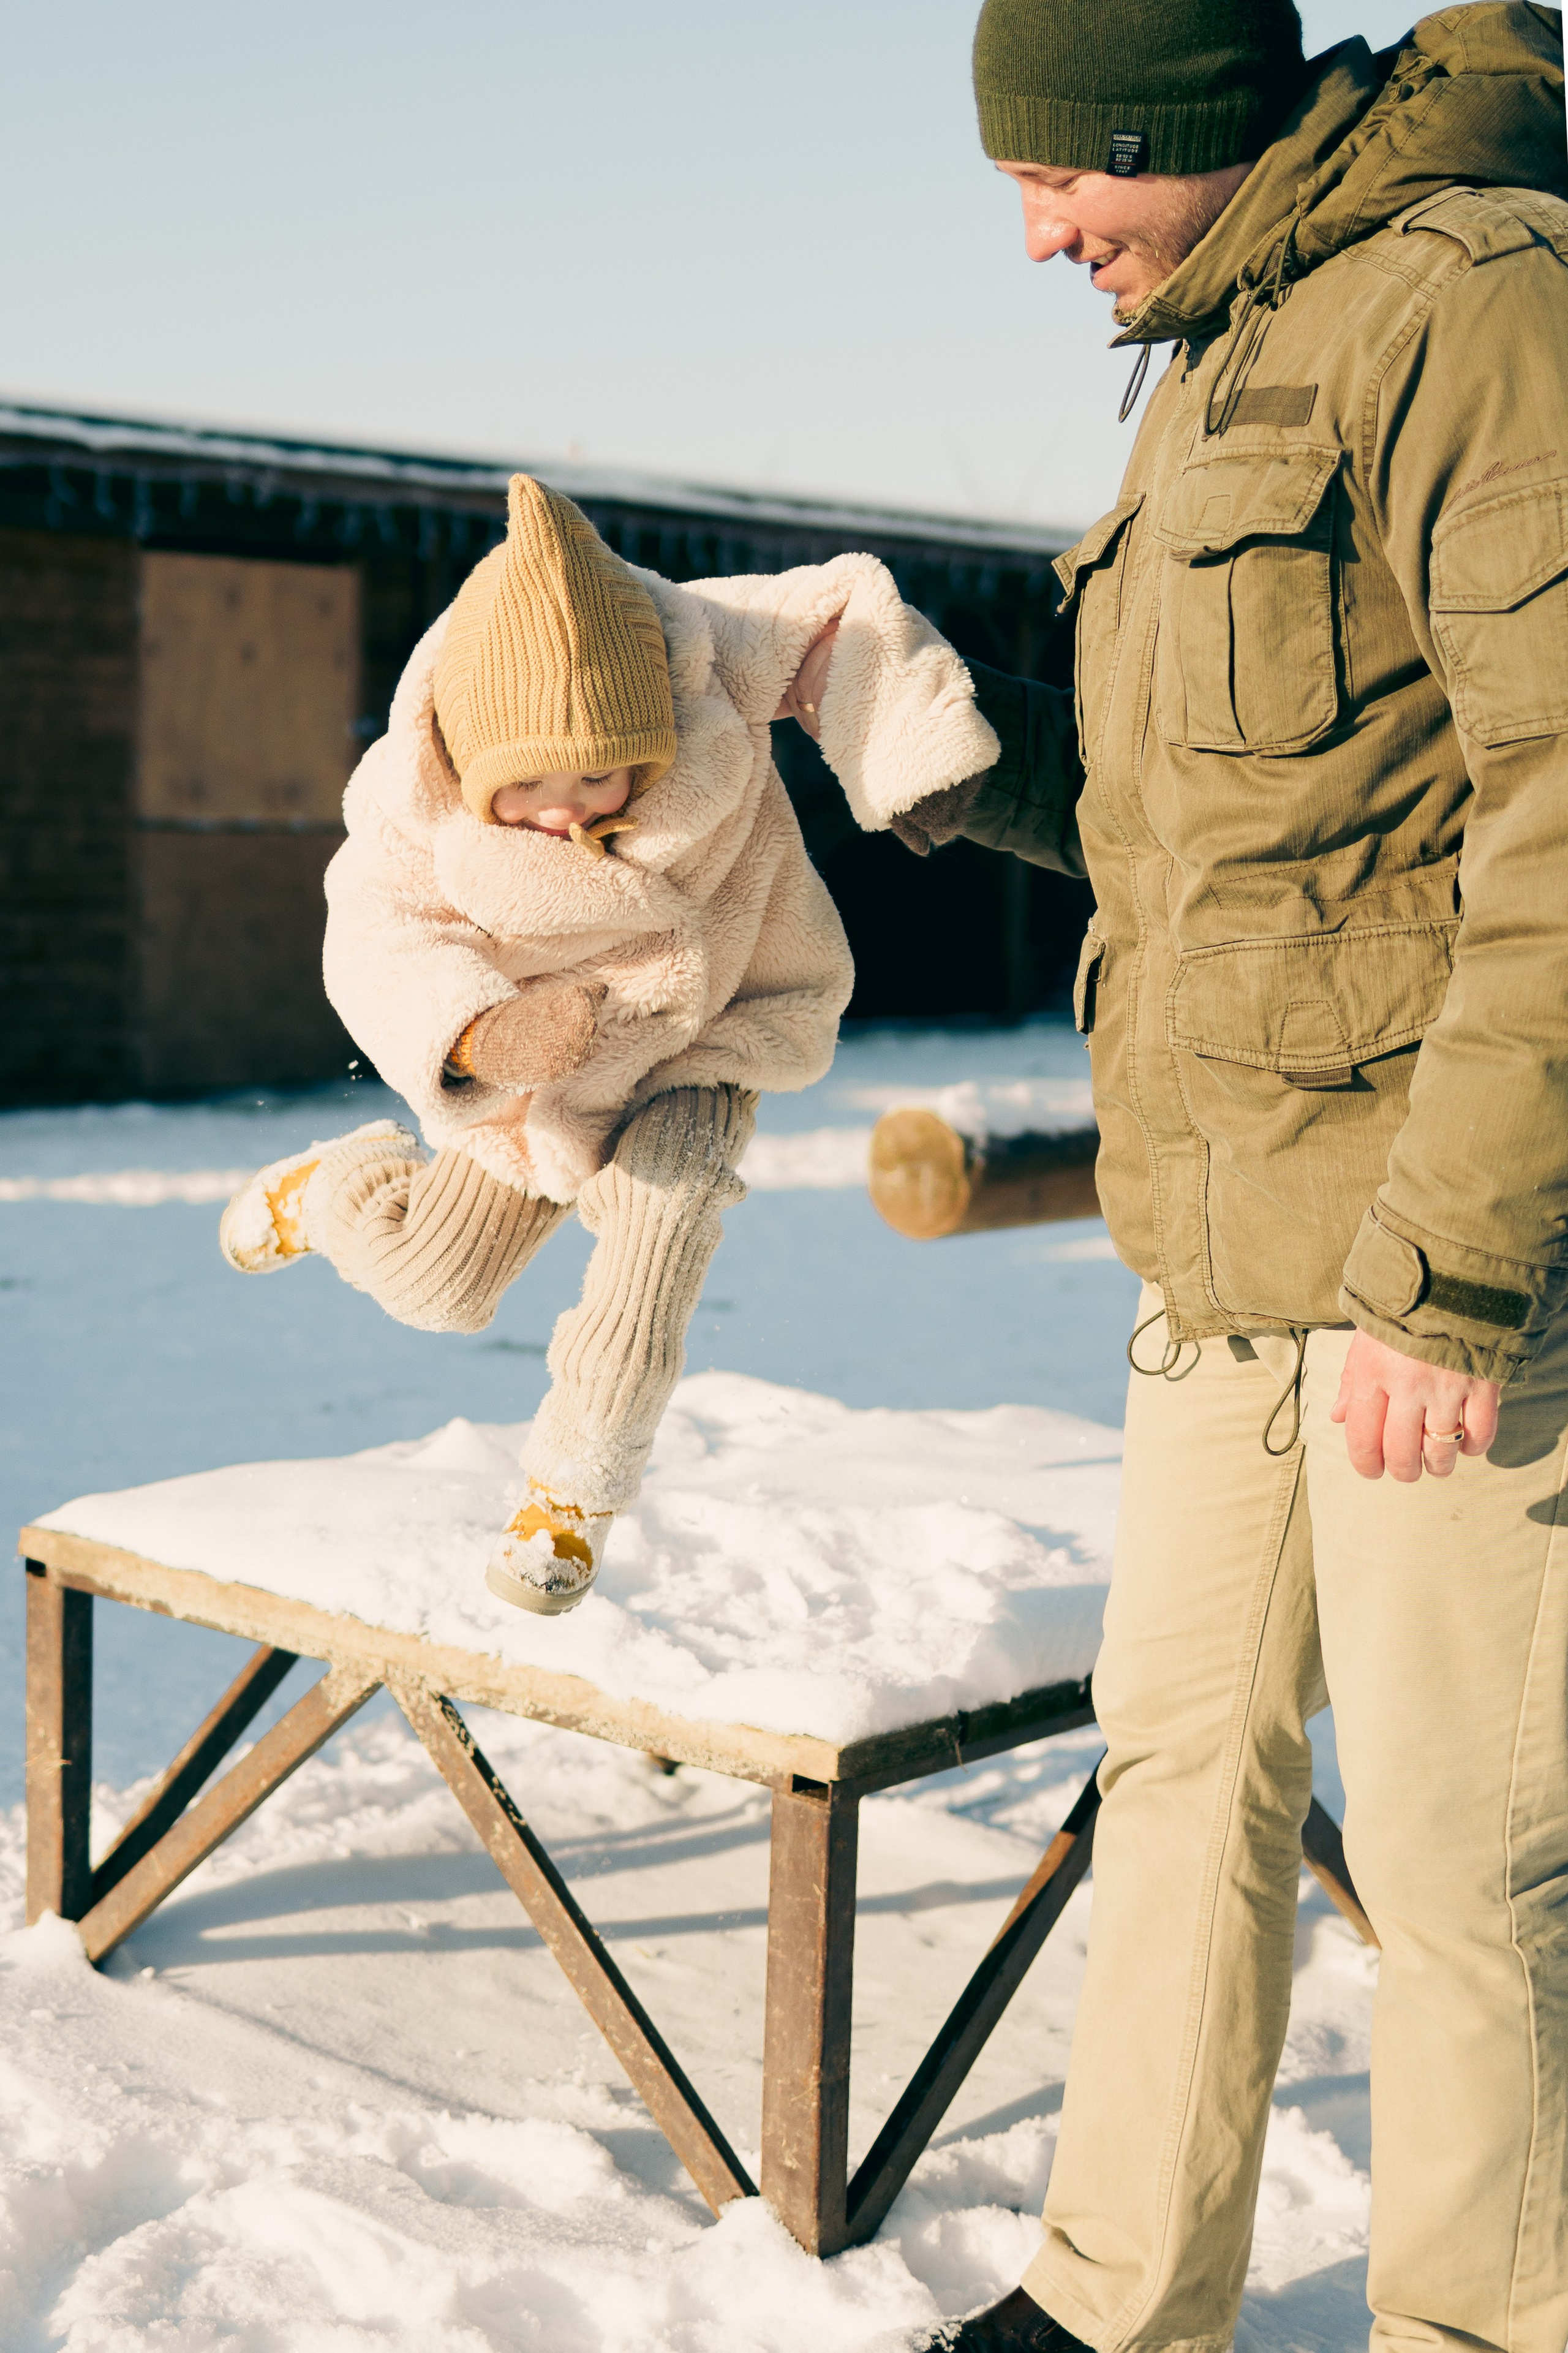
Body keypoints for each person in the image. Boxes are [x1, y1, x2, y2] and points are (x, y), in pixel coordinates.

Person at [889, 4, 1568, 2348]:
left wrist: (1455, 1268)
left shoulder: (1473, 301)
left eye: (1062, 179)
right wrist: (946, 759)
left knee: (1481, 1876)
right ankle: (1116, 2308)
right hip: (1229, 1256)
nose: (1041, 232)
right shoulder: (1209, 354)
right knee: (1182, 1776)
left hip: (1442, 1277)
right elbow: (1233, 842)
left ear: (1173, 124)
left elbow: (1563, 813)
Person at [219, 472, 991, 1613]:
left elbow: (846, 607)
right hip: (538, 1070)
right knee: (437, 1285)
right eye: (531, 786)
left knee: (657, 1233)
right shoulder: (413, 791)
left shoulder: (696, 651)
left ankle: (569, 1500)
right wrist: (480, 1033)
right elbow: (373, 937)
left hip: (718, 1025)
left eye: (602, 773)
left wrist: (911, 752)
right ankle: (336, 1190)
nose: (571, 807)